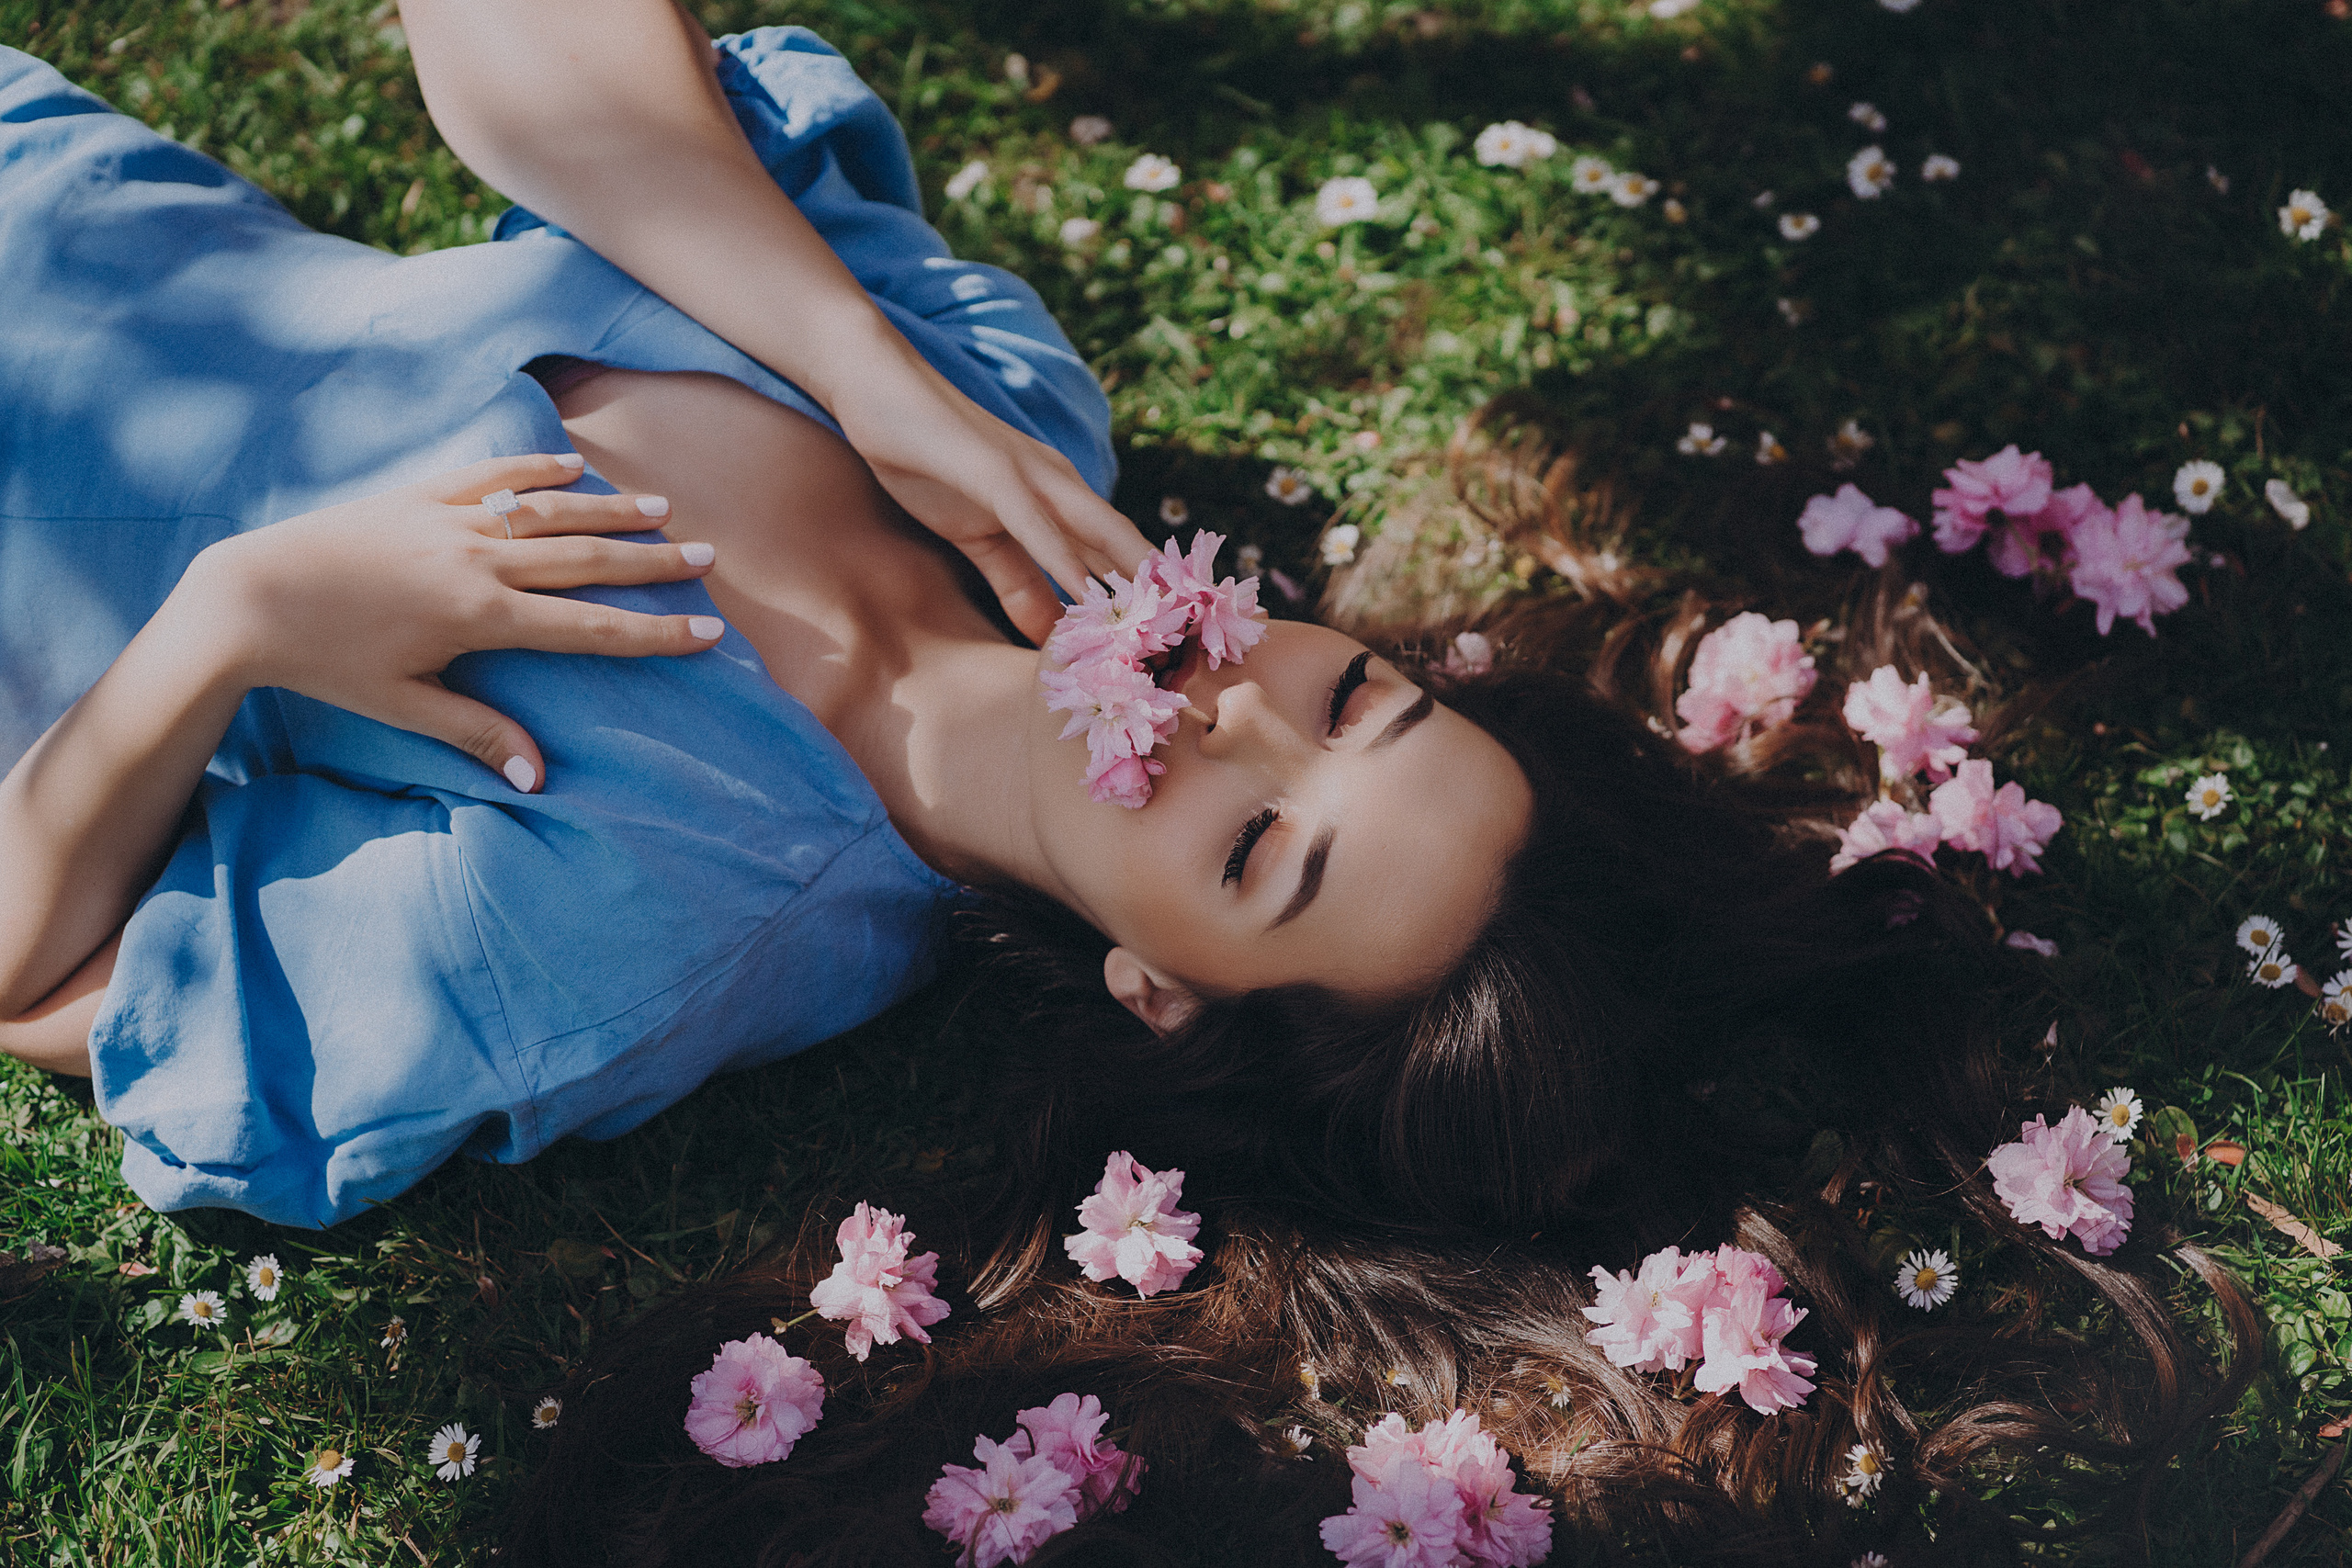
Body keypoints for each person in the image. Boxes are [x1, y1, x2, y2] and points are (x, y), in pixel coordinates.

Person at [0, 8, 2248, 1558]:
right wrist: (856, 360)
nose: (1224, 709)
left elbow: (35, 971)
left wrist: (238, 623)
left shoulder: (626, 927)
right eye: (1350, 699)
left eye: (1255, 850)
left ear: (1152, 991)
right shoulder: (1004, 408)